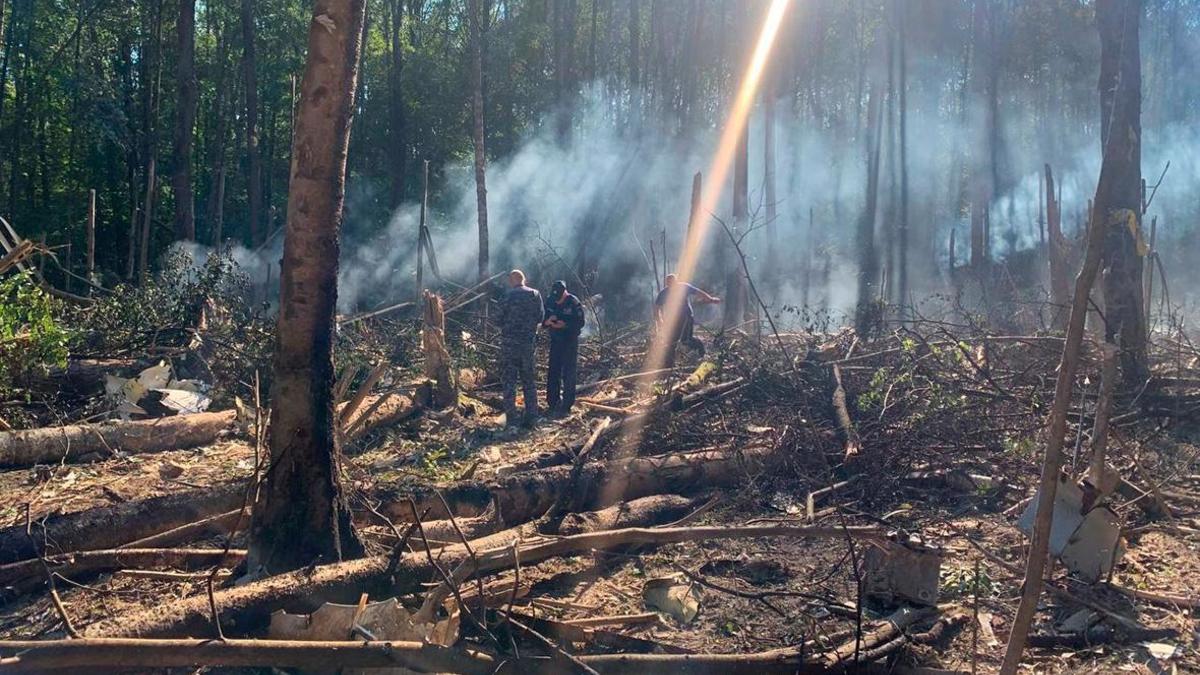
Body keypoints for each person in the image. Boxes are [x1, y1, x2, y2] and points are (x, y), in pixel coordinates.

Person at [498, 269, 544, 427]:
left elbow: (498, 319)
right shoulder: (535, 295)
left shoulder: (507, 296)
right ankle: (532, 416)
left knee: (509, 381)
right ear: (523, 279)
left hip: (509, 345)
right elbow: (540, 317)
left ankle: (511, 418)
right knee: (529, 381)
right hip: (527, 345)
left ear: (512, 280)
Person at [654, 274, 720, 365]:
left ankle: (702, 352)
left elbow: (698, 292)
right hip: (673, 320)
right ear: (666, 284)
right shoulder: (664, 293)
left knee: (686, 340)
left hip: (686, 316)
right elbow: (656, 307)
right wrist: (659, 320)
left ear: (676, 282)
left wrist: (711, 299)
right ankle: (669, 364)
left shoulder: (683, 287)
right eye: (669, 283)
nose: (671, 285)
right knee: (672, 340)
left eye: (672, 283)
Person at [543, 280, 585, 417]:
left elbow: (580, 322)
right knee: (553, 371)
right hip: (555, 341)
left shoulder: (573, 302)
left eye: (559, 297)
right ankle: (552, 402)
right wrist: (548, 322)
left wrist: (565, 324)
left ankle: (567, 405)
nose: (558, 300)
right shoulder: (550, 301)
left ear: (565, 292)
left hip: (569, 341)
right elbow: (542, 319)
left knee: (569, 373)